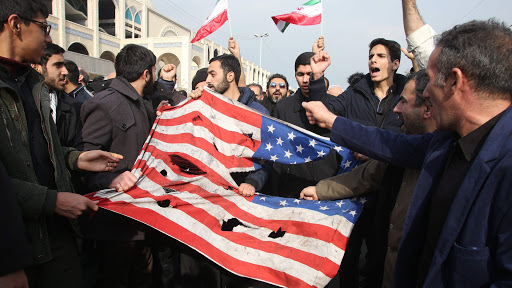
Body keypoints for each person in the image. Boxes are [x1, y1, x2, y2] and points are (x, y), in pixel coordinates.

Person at [303, 19, 512, 287]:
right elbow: (387, 144)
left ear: (455, 81)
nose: (426, 91)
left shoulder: (504, 165)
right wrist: (332, 121)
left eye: (432, 79)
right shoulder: (445, 144)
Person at [0, 1, 122, 286]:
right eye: (44, 27)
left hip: (56, 236)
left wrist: (74, 159)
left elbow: (35, 152)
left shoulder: (34, 84)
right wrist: (50, 201)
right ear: (16, 24)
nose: (49, 38)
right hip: (14, 245)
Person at [301, 70, 434, 288]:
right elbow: (365, 176)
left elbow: (381, 142)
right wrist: (320, 190)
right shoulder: (402, 148)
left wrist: (333, 122)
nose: (396, 109)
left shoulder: (445, 152)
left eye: (404, 102)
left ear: (428, 108)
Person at [79, 44, 158, 287]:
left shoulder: (143, 104)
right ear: (146, 74)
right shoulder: (105, 103)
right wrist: (111, 179)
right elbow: (83, 160)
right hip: (114, 225)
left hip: (142, 219)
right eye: (154, 72)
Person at [268, 52, 339, 199]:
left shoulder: (334, 105)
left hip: (328, 186)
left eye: (310, 74)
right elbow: (275, 151)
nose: (306, 80)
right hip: (291, 187)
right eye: (301, 74)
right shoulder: (283, 107)